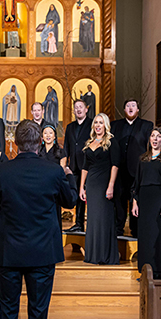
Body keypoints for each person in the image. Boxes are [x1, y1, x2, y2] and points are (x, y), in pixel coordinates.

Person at [0, 120, 77, 319]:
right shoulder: (53, 172)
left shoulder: (0, 171)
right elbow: (70, 201)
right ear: (39, 142)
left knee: (8, 312)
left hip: (10, 252)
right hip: (42, 252)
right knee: (38, 311)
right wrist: (70, 176)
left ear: (15, 143)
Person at [132, 127, 161, 278]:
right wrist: (135, 202)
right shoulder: (142, 158)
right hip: (144, 200)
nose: (155, 139)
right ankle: (145, 272)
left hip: (159, 200)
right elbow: (137, 182)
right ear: (149, 139)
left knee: (159, 235)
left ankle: (159, 271)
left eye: (158, 136)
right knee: (145, 236)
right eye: (153, 136)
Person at [80, 113, 120, 265]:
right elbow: (85, 167)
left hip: (104, 183)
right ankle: (93, 255)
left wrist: (111, 185)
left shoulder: (111, 141)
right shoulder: (89, 142)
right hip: (91, 184)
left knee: (104, 218)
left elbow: (115, 165)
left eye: (101, 123)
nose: (98, 125)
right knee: (93, 219)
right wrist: (82, 187)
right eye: (96, 122)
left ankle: (105, 255)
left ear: (106, 125)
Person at [111, 98, 153, 237]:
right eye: (127, 105)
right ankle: (119, 228)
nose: (130, 108)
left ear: (138, 110)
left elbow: (150, 147)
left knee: (135, 199)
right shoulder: (115, 125)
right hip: (119, 168)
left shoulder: (146, 125)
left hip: (137, 170)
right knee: (119, 198)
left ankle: (136, 230)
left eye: (133, 106)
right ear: (124, 110)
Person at [63, 99, 92, 232]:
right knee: (75, 194)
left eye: (81, 107)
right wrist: (65, 165)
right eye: (76, 108)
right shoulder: (70, 126)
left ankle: (86, 224)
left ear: (86, 109)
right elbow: (67, 147)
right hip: (73, 166)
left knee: (86, 195)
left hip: (87, 165)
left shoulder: (92, 124)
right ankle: (77, 223)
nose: (78, 109)